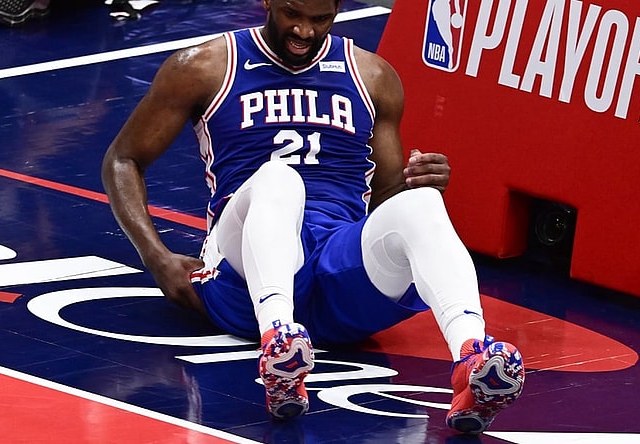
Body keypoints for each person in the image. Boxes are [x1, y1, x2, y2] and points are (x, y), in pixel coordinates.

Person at [101, 0, 524, 434]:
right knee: (279, 177)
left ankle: (472, 358)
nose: (304, 32)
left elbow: (386, 197)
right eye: (293, 14)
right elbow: (122, 159)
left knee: (423, 204)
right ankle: (278, 340)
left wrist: (422, 181)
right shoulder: (205, 66)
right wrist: (157, 260)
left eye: (320, 19)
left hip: (335, 276)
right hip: (246, 273)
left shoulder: (373, 76)